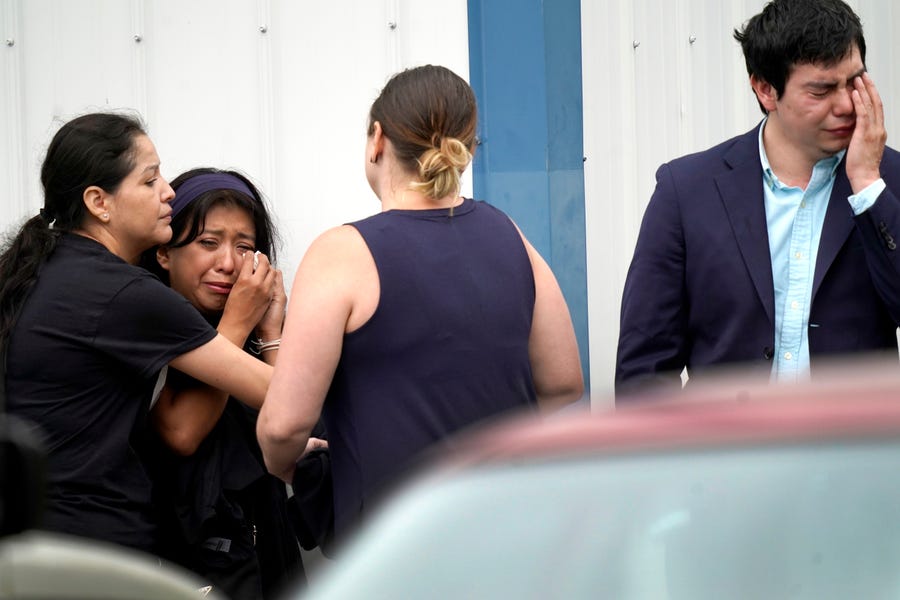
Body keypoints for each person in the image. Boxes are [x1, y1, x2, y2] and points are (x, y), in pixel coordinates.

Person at [256, 64, 584, 541]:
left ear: (377, 139)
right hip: (507, 528)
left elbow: (283, 426)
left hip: (395, 549)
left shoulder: (342, 253)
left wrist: (288, 467)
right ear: (468, 149)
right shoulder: (510, 236)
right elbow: (563, 383)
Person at [0, 113, 273, 556]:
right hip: (91, 545)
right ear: (99, 202)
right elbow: (276, 391)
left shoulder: (44, 270)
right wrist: (257, 322)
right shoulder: (121, 292)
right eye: (150, 181)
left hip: (32, 538)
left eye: (243, 245)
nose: (168, 191)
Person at [615, 0, 900, 398]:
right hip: (728, 453)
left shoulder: (889, 182)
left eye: (854, 82)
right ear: (766, 89)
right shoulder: (686, 191)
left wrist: (868, 186)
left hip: (854, 452)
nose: (846, 105)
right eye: (821, 90)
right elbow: (645, 368)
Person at [140, 168, 326, 598]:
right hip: (191, 557)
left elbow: (292, 422)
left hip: (267, 542)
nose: (227, 263)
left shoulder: (248, 332)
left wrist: (272, 331)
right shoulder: (149, 324)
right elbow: (182, 435)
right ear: (165, 254)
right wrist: (238, 323)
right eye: (208, 243)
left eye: (244, 247)